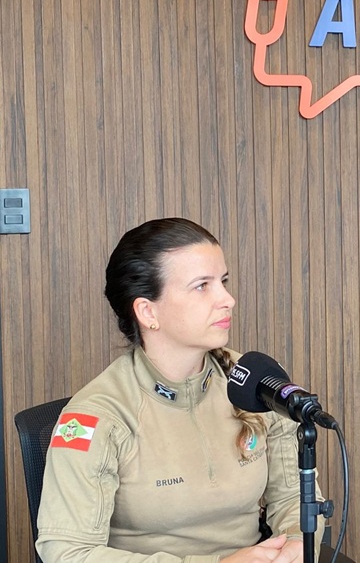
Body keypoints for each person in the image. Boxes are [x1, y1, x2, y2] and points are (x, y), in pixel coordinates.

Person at [36, 217, 325, 562]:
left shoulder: (253, 382)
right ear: (147, 311)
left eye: (224, 281)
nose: (228, 299)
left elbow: (295, 496)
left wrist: (296, 543)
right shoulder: (99, 416)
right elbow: (68, 553)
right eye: (202, 286)